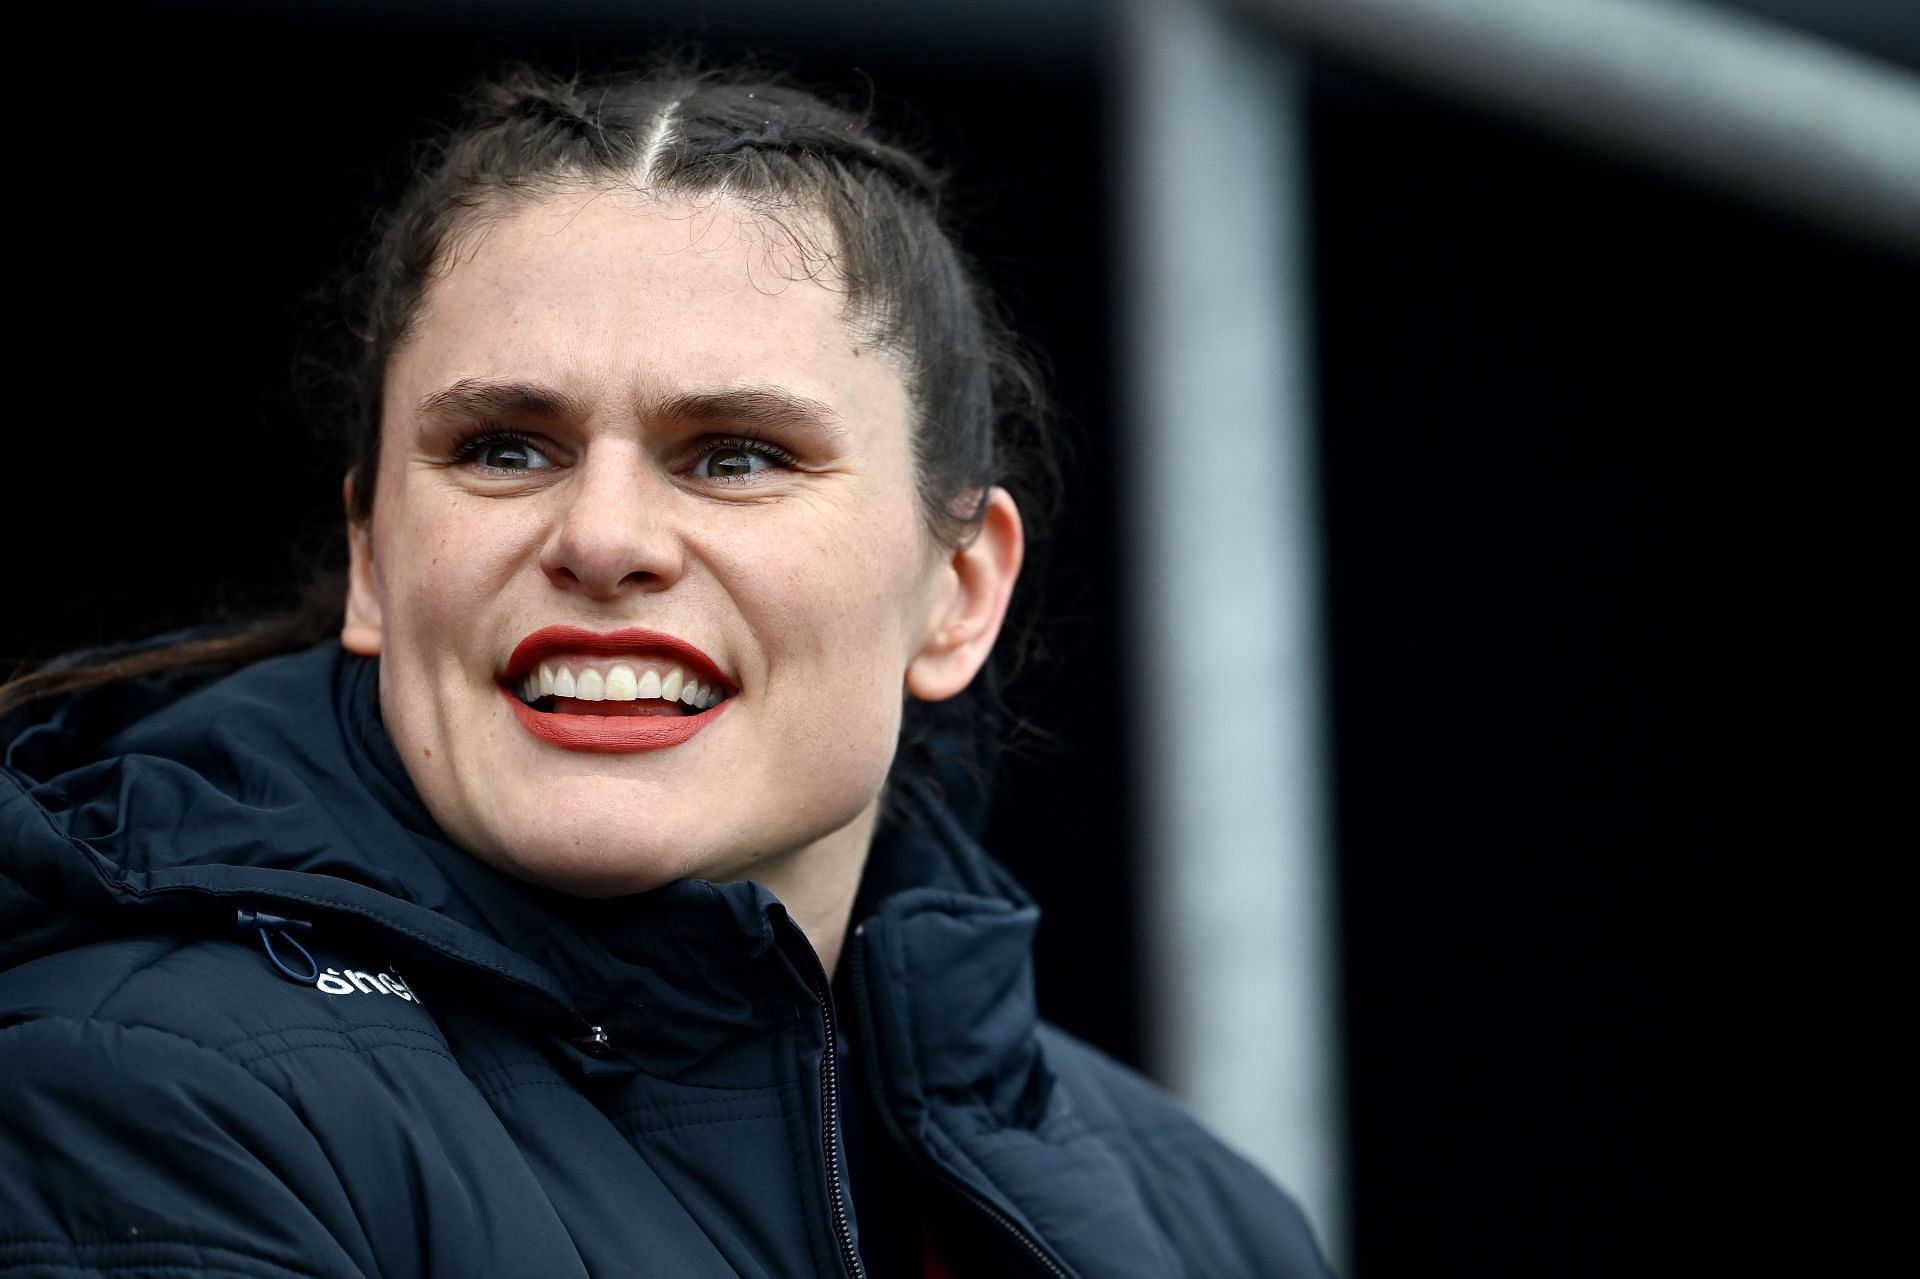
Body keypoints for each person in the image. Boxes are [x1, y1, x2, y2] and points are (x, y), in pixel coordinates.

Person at [0, 59, 1332, 1277]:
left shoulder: (1207, 1219)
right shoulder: (140, 1089)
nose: (604, 539)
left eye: (737, 454)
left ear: (959, 590)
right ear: (369, 558)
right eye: (506, 446)